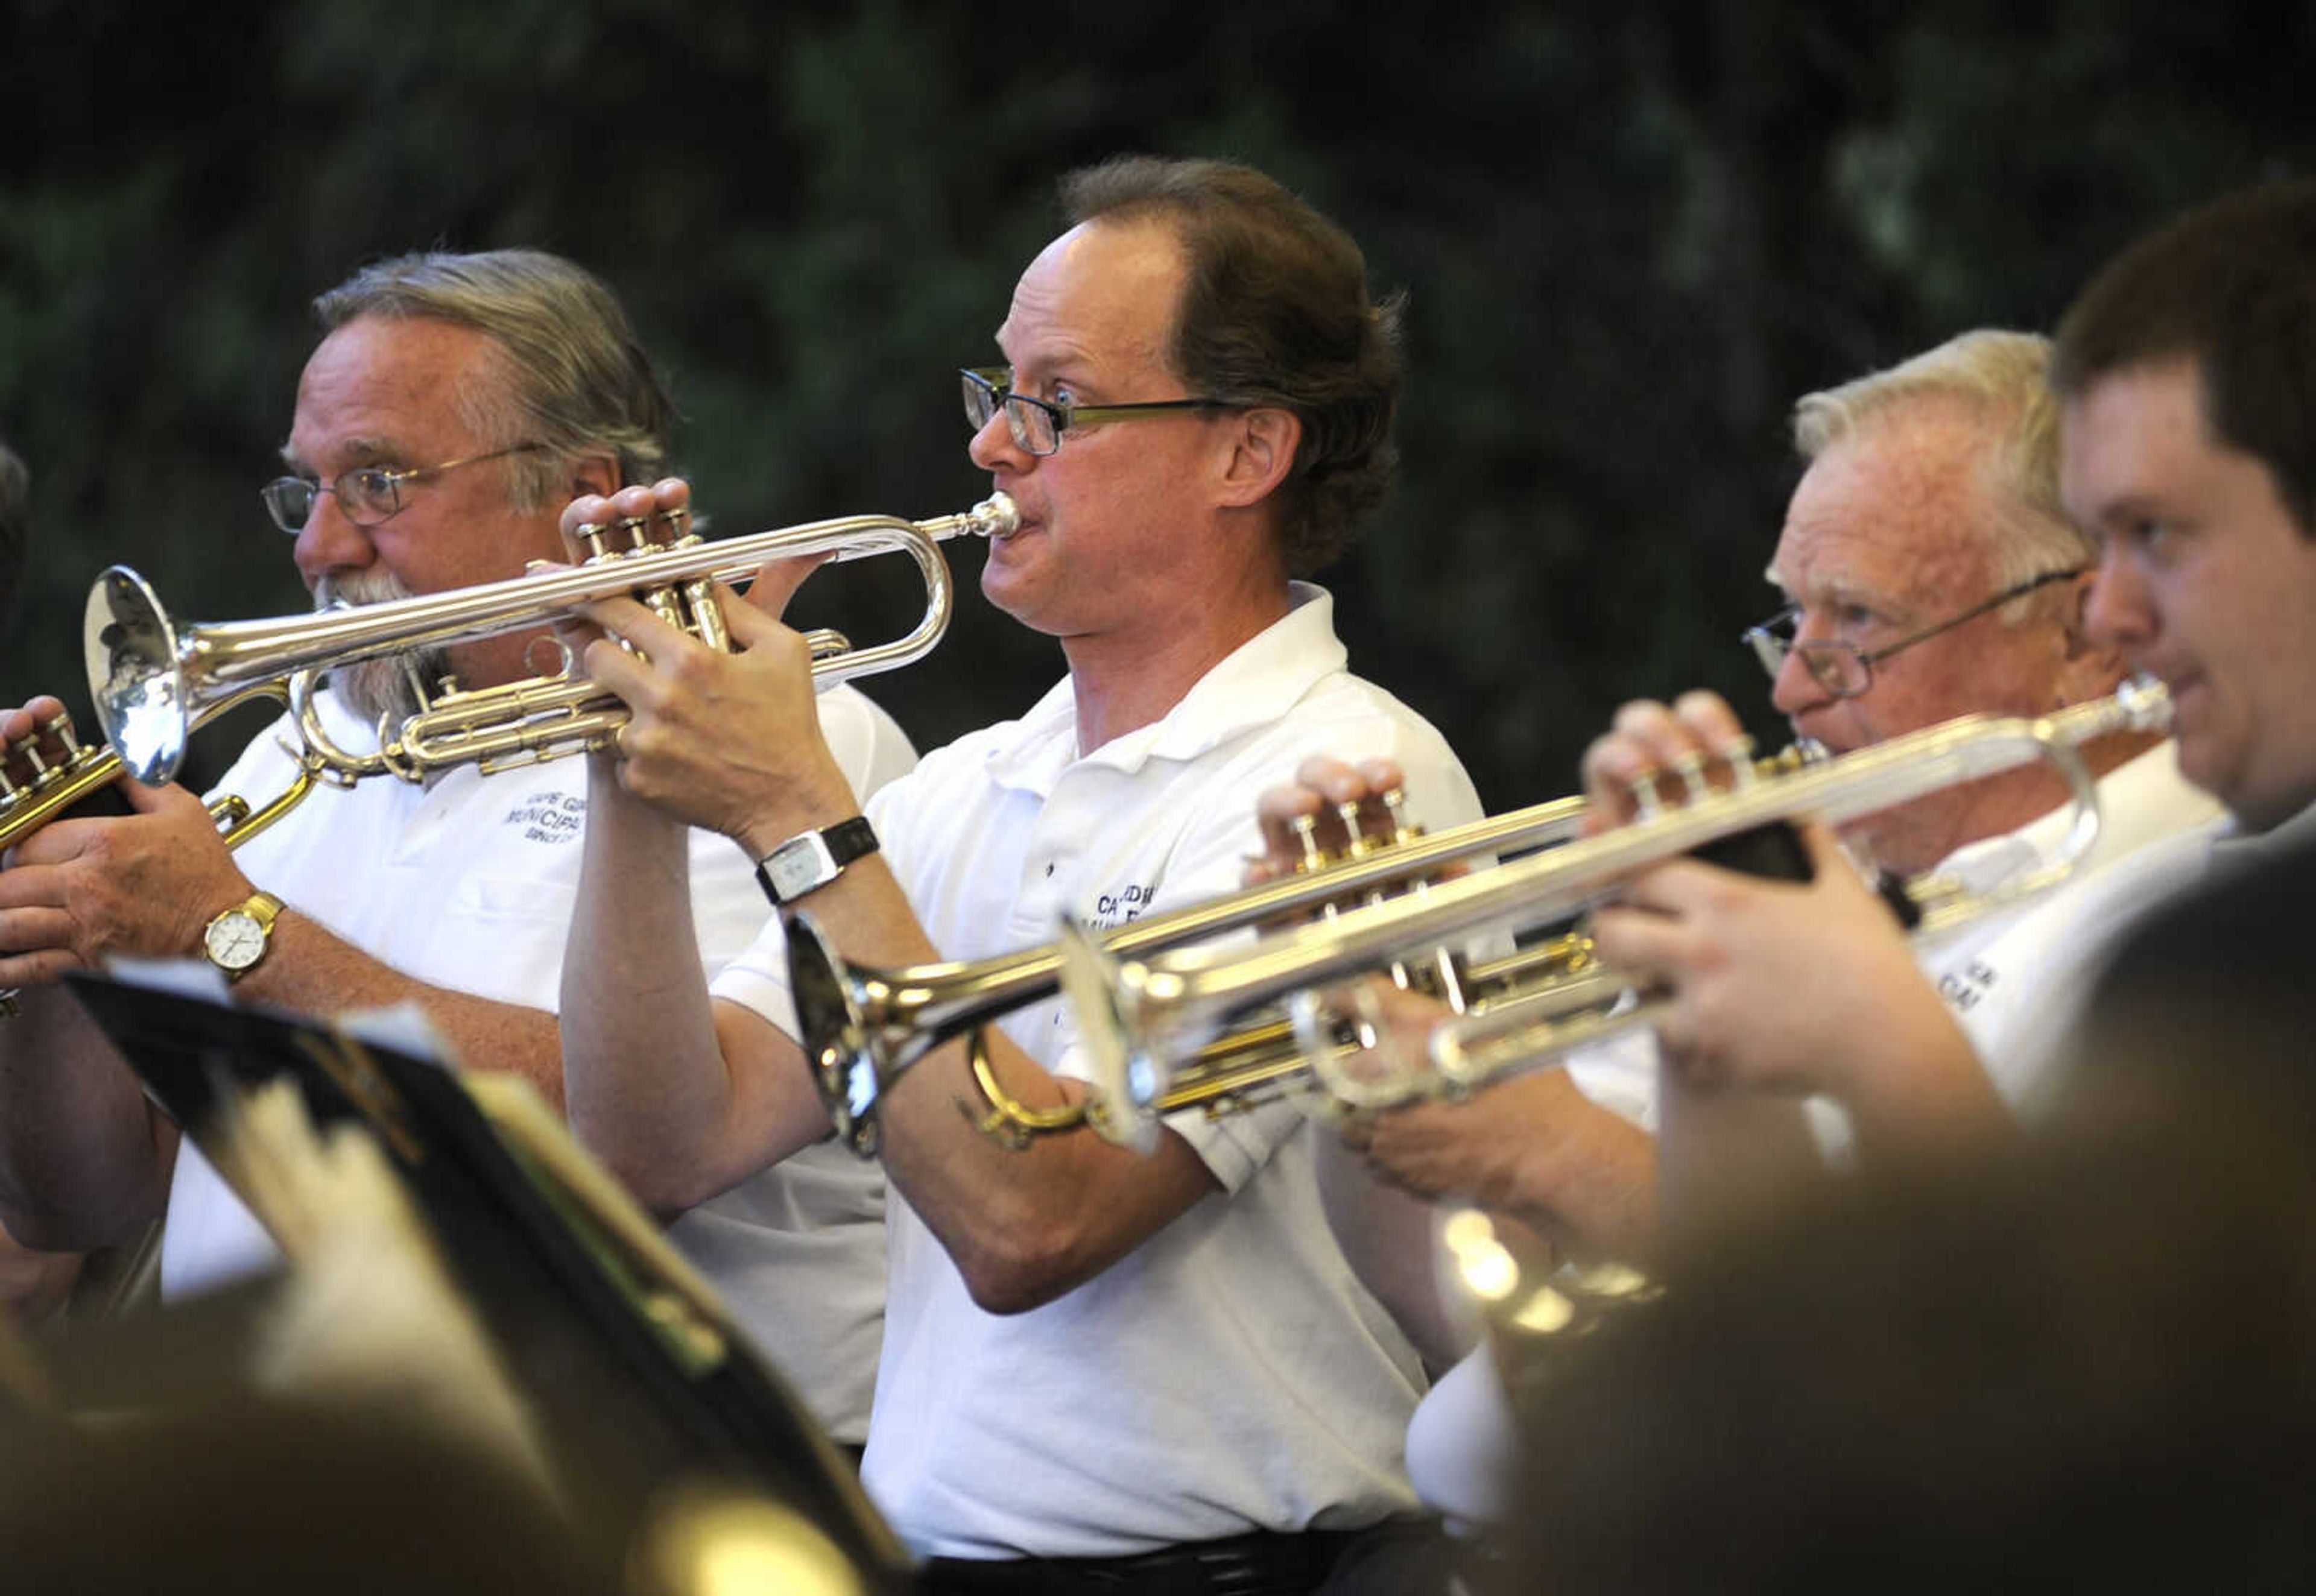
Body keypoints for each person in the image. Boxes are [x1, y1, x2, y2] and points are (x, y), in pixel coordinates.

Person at [557, 156, 1482, 1590]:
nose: (994, 447)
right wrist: (635, 772)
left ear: (1248, 452)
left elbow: (1036, 1218)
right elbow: (653, 1149)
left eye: (1058, 403)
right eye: (997, 393)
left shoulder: (1352, 781)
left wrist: (802, 814)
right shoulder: (964, 783)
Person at [0, 249, 917, 1446]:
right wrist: (41, 956)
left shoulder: (792, 744)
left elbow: (631, 1137)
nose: (318, 546)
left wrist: (236, 931)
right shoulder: (299, 748)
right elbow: (90, 1194)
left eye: (375, 483)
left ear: (578, 490)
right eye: (305, 490)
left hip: (639, 1492)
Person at [1569, 179, 2316, 1173]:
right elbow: (1747, 1305)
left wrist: (1871, 1030)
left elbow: (2091, 1323)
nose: (2119, 613)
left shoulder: (2195, 934)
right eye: (1795, 620)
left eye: (2159, 535)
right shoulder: (2236, 911)